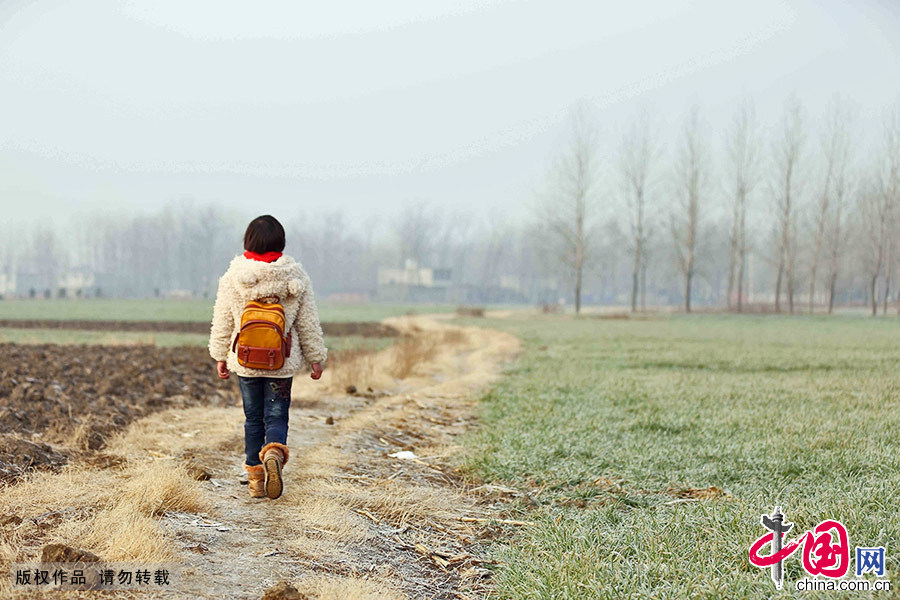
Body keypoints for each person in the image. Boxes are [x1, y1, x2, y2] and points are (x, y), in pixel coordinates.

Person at [208, 215, 326, 499]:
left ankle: (256, 481)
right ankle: (273, 450)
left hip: (246, 362)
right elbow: (307, 322)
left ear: (248, 241)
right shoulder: (295, 276)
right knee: (276, 415)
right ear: (280, 242)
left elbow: (222, 319)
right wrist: (315, 357)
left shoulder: (233, 276)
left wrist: (219, 354)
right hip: (281, 363)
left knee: (253, 420)